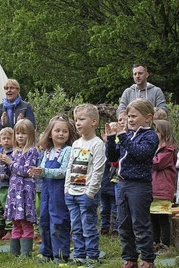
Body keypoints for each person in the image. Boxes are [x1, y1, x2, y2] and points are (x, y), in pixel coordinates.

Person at [106, 99, 158, 268]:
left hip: (139, 186)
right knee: (124, 224)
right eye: (128, 116)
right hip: (122, 184)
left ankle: (147, 259)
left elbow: (140, 153)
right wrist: (110, 139)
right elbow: (113, 158)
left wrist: (122, 136)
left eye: (134, 116)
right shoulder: (127, 135)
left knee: (140, 224)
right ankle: (130, 258)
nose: (130, 119)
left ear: (148, 117)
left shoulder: (150, 136)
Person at [30, 114, 77, 263]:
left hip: (59, 192)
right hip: (46, 191)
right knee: (44, 220)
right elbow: (43, 169)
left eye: (65, 131)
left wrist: (44, 171)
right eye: (57, 130)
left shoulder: (68, 150)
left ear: (69, 134)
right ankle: (46, 252)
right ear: (50, 133)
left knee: (59, 221)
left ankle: (61, 254)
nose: (61, 134)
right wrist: (36, 172)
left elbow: (64, 171)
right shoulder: (47, 151)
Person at [65, 104, 106, 267]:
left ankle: (92, 257)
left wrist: (90, 193)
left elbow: (98, 170)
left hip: (86, 195)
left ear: (94, 121)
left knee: (88, 226)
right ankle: (79, 255)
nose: (78, 123)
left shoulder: (97, 144)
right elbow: (70, 167)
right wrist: (66, 189)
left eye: (82, 119)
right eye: (76, 120)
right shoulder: (75, 144)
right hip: (72, 193)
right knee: (75, 227)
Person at [0, 119, 39, 257]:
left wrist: (10, 163)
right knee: (16, 222)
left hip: (25, 192)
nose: (20, 136)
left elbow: (26, 171)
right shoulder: (15, 152)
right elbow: (10, 173)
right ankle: (14, 253)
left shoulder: (32, 151)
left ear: (30, 135)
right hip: (14, 192)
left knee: (25, 222)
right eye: (18, 133)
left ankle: (25, 254)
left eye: (24, 133)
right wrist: (4, 164)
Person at [150, 119, 177, 254]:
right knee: (153, 218)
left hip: (163, 191)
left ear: (164, 132)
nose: (154, 134)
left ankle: (165, 244)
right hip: (153, 190)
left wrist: (144, 156)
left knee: (162, 219)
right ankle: (155, 242)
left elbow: (157, 163)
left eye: (156, 131)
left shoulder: (168, 150)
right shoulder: (155, 148)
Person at [0, 127, 14, 240]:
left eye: (9, 138)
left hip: (9, 185)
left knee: (8, 207)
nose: (6, 140)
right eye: (3, 138)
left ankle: (10, 229)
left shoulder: (14, 152)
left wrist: (5, 175)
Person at [99, 122, 118, 237]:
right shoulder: (101, 146)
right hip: (103, 183)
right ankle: (104, 228)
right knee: (104, 209)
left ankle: (116, 229)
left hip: (113, 183)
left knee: (115, 209)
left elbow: (112, 161)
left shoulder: (117, 146)